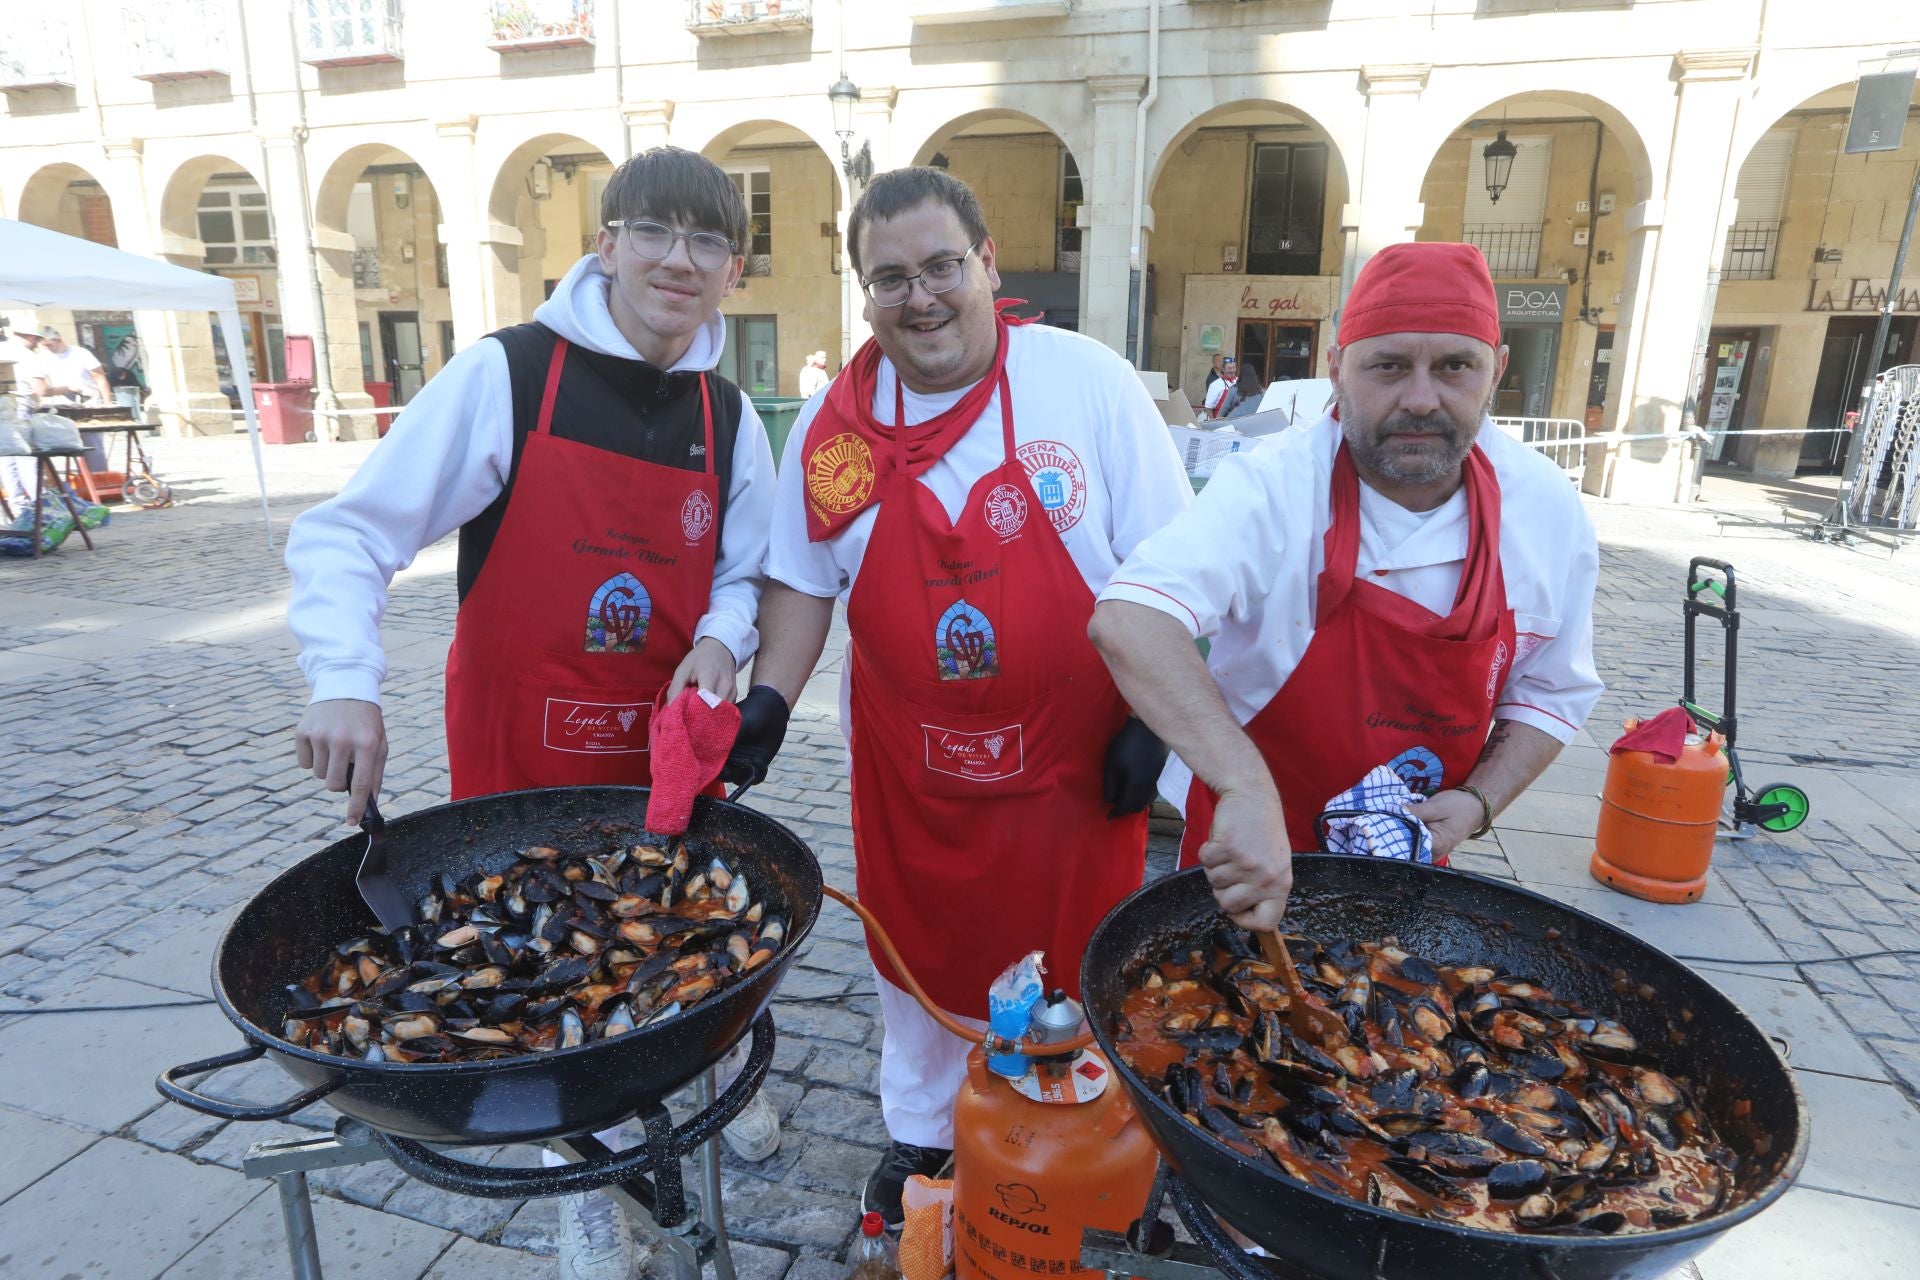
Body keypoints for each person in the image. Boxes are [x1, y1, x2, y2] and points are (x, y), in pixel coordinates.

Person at [284, 146, 783, 1280]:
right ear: (606, 244)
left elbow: (746, 573)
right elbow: (348, 533)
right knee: (538, 964)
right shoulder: (511, 375)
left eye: (706, 241)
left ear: (731, 270)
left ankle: (697, 1066)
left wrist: (720, 636)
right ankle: (588, 1184)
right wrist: (344, 680)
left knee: (673, 939)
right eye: (652, 231)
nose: (678, 259)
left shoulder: (729, 411)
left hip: (658, 757)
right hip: (519, 752)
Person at [722, 167, 1191, 1226]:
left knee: (1080, 948)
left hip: (1076, 760)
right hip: (911, 762)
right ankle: (923, 1132)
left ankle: (1090, 1134)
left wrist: (1147, 719)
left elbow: (1172, 562)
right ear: (864, 292)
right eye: (891, 278)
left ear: (987, 263)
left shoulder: (1085, 383)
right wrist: (771, 702)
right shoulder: (836, 433)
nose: (921, 296)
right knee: (912, 951)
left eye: (941, 266)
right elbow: (802, 576)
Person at [1089, 241, 1603, 930]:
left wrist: (1481, 801)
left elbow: (1552, 688)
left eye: (1455, 366)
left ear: (1497, 369)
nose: (1421, 399)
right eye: (1387, 366)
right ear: (1337, 368)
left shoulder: (1545, 508)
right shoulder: (1272, 488)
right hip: (1249, 851)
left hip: (1412, 859)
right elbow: (1131, 619)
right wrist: (1243, 784)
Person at [29, 326, 111, 407]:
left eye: (49, 345)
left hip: (90, 404)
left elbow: (100, 378)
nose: (47, 348)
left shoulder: (81, 353)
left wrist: (108, 403)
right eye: (44, 345)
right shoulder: (42, 357)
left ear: (58, 339)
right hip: (61, 406)